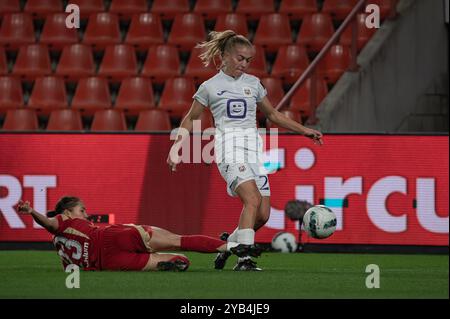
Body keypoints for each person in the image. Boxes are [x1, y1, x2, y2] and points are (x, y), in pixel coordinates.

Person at [167, 30, 323, 271]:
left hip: (253, 153)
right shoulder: (210, 87)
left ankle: (228, 246)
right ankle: (245, 260)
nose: (245, 64)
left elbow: (272, 115)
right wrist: (177, 147)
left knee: (263, 214)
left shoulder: (253, 84)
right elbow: (191, 118)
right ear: (224, 56)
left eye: (249, 60)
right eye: (240, 58)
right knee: (252, 199)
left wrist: (304, 130)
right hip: (229, 149)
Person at [16, 196, 260, 272]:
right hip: (113, 237)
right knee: (180, 242)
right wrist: (31, 211)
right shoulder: (61, 221)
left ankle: (168, 262)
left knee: (182, 262)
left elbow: (74, 272)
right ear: (67, 212)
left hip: (110, 263)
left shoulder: (62, 250)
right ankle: (230, 247)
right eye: (82, 210)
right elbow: (48, 223)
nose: (86, 214)